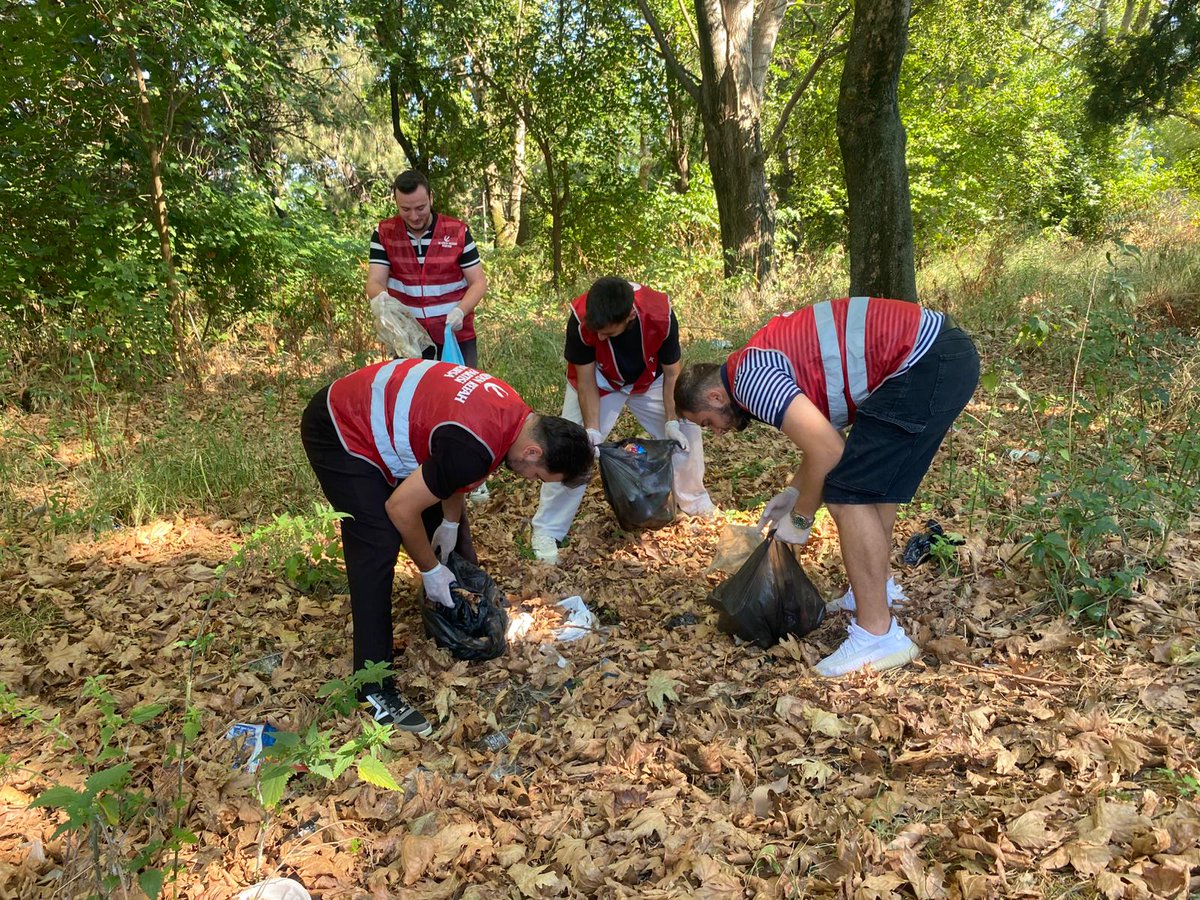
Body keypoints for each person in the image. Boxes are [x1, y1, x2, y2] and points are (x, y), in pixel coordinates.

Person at [675, 297, 979, 677]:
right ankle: (877, 593)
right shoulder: (750, 365)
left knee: (846, 491)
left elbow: (831, 454)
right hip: (934, 354)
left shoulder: (749, 383)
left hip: (923, 361)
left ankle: (877, 634)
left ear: (716, 397)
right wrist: (791, 493)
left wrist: (801, 520)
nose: (716, 431)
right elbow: (823, 439)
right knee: (871, 490)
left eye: (707, 422)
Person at [301, 358, 593, 733]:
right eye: (537, 475)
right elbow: (401, 507)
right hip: (340, 428)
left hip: (380, 418)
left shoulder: (515, 416)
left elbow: (456, 470)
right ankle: (372, 687)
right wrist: (429, 569)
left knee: (440, 518)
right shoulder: (478, 445)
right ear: (534, 452)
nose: (529, 478)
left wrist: (451, 523)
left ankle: (458, 618)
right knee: (376, 543)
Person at [530, 277, 716, 565]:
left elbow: (672, 374)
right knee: (569, 448)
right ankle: (547, 529)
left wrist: (670, 420)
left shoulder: (661, 315)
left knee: (686, 430)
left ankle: (695, 502)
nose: (600, 338)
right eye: (597, 332)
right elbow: (586, 377)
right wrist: (591, 429)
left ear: (629, 315)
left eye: (607, 333)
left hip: (649, 380)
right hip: (600, 381)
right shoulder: (581, 319)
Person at [366, 170, 487, 368]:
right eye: (405, 209)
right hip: (410, 339)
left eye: (420, 208)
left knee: (458, 397)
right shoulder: (384, 233)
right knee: (416, 397)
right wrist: (383, 301)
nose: (414, 216)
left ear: (431, 198)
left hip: (456, 337)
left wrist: (460, 311)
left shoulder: (457, 231)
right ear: (396, 203)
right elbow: (375, 281)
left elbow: (478, 282)